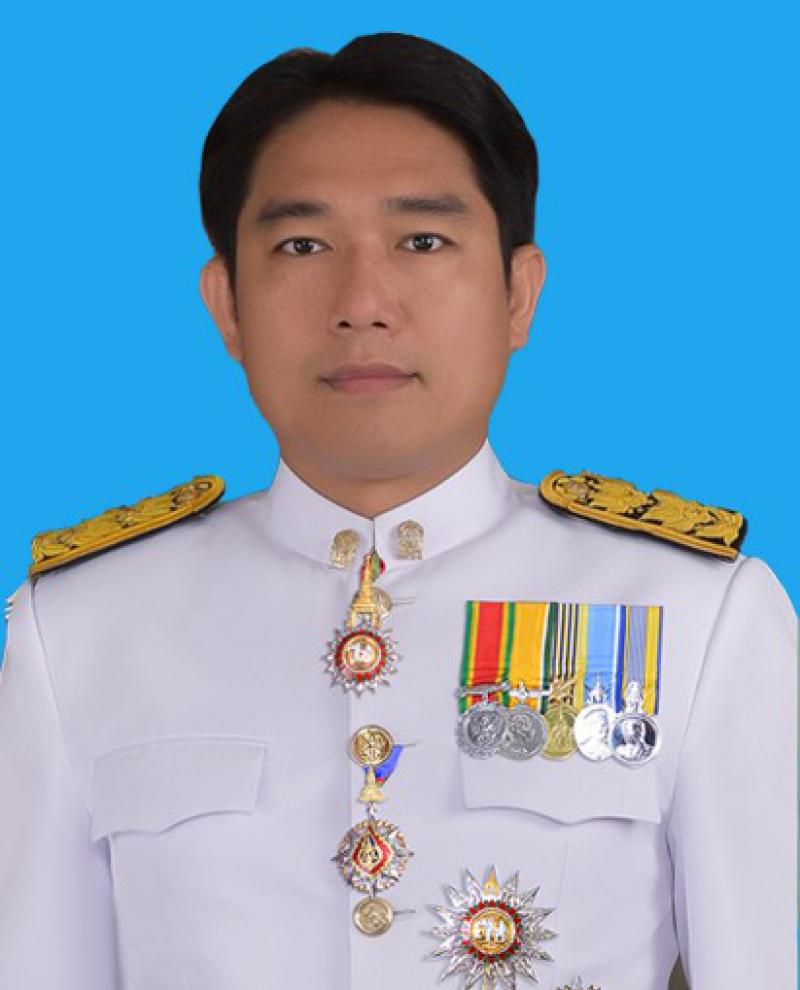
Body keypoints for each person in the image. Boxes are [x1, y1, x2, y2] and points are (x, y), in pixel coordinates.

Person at [0, 31, 795, 990]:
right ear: (227, 305)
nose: (363, 302)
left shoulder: (694, 611)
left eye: (423, 241)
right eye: (302, 245)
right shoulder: (81, 627)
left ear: (518, 294)